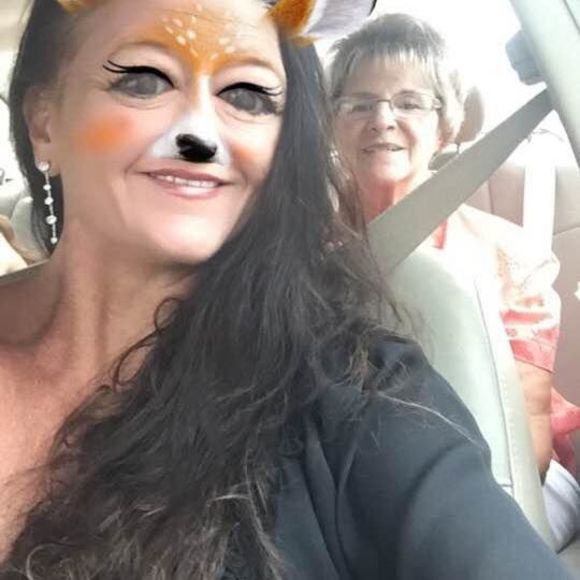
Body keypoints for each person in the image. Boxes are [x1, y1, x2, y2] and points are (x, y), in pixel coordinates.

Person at [0, 1, 571, 578]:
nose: (199, 137)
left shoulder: (357, 396)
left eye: (248, 96)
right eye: (145, 81)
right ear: (44, 121)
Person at [328, 11, 580, 550]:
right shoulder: (297, 251)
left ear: (446, 124)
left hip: (499, 480)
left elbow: (526, 444)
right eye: (360, 103)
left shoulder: (509, 257)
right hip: (341, 469)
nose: (383, 119)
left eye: (409, 103)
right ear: (332, 122)